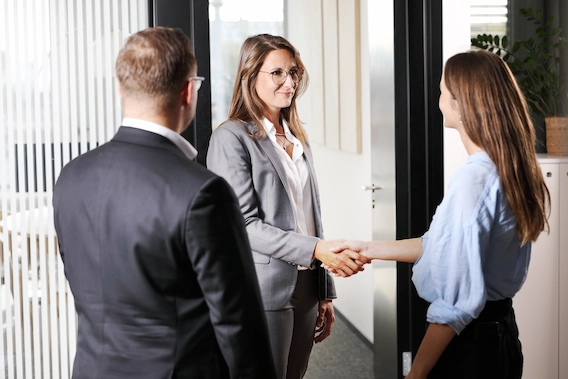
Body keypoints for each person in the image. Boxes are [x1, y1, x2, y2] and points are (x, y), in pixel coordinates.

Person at [53, 27, 276, 379]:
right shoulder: (203, 192)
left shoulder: (71, 177)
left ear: (120, 88)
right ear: (189, 91)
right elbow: (239, 327)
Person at [329, 49, 550, 379]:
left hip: (470, 346)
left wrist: (415, 374)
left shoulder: (473, 180)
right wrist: (366, 248)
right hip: (500, 335)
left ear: (462, 104)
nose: (439, 96)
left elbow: (456, 306)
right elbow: (440, 244)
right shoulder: (507, 167)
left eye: (442, 89)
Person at [206, 34, 370, 379]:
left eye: (293, 73)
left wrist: (324, 291)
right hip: (263, 286)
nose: (289, 82)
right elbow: (244, 225)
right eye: (277, 73)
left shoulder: (295, 136)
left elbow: (310, 218)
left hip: (308, 284)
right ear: (250, 77)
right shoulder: (231, 137)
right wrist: (317, 250)